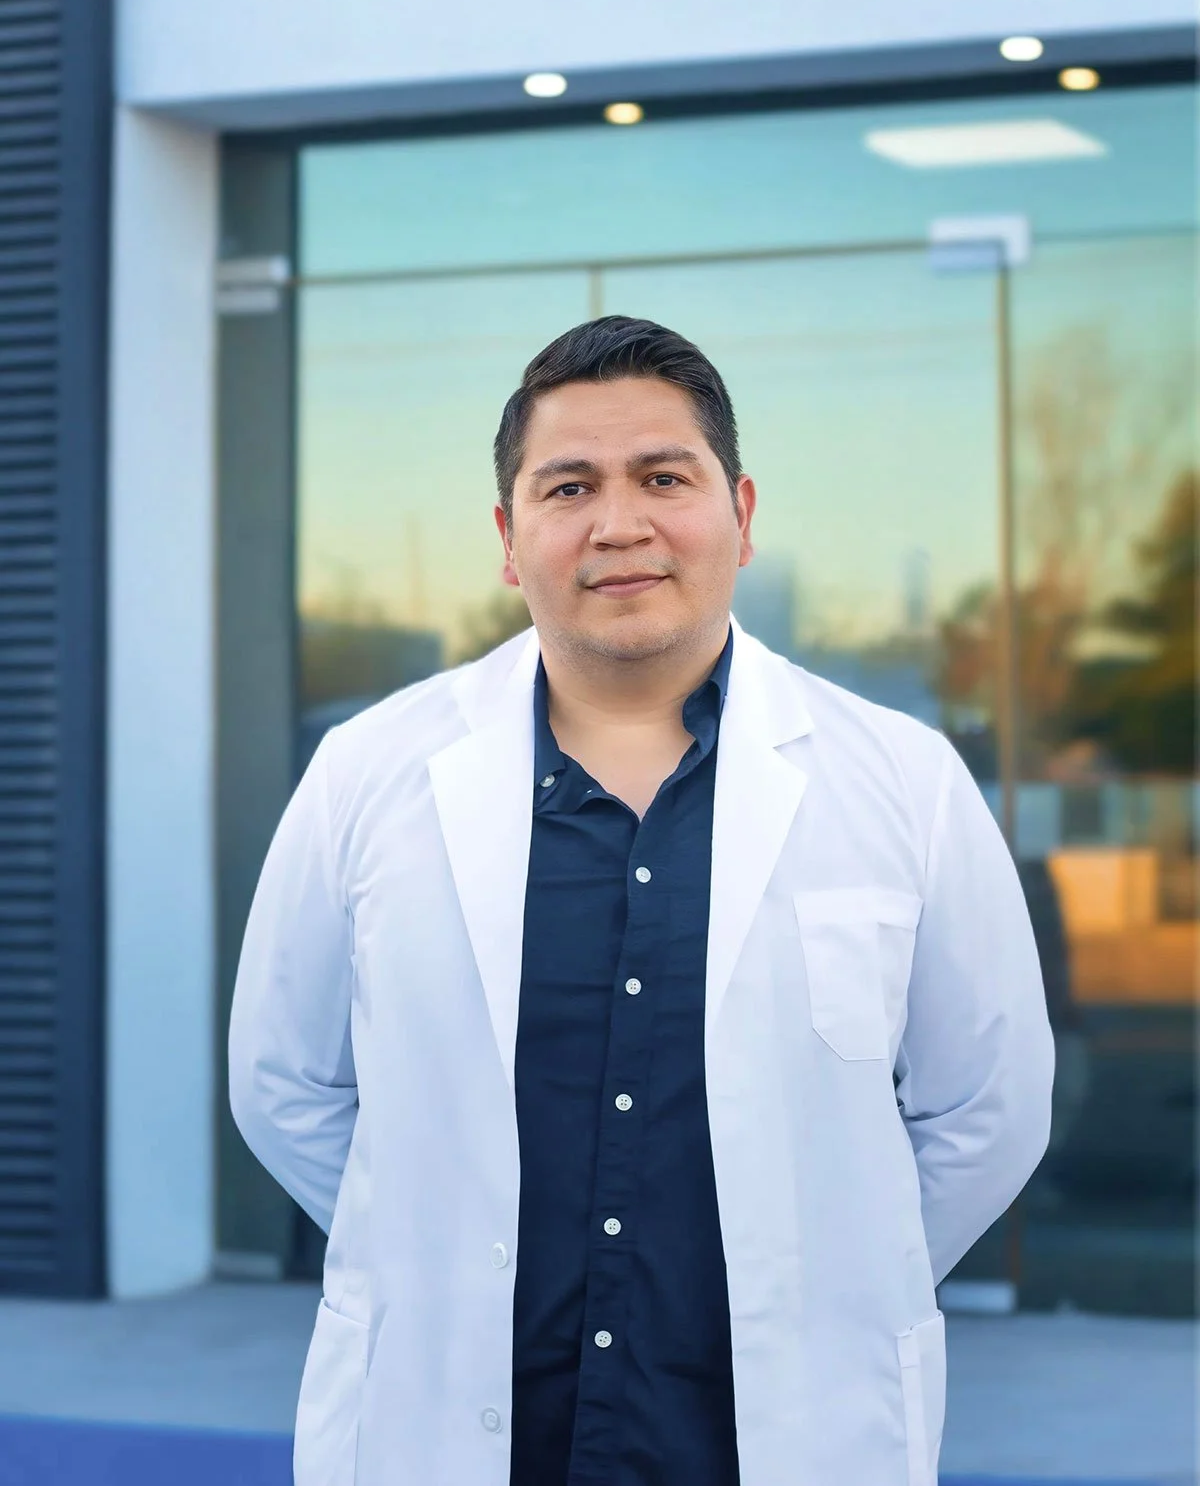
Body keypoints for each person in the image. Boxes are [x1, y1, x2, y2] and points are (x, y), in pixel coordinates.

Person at [229, 315, 1055, 1486]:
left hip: (774, 1439)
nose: (620, 524)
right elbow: (284, 1084)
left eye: (663, 477)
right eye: (570, 487)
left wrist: (830, 1276)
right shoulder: (369, 774)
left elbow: (990, 1109)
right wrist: (432, 1242)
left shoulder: (903, 783)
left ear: (743, 512)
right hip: (451, 1432)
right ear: (511, 542)